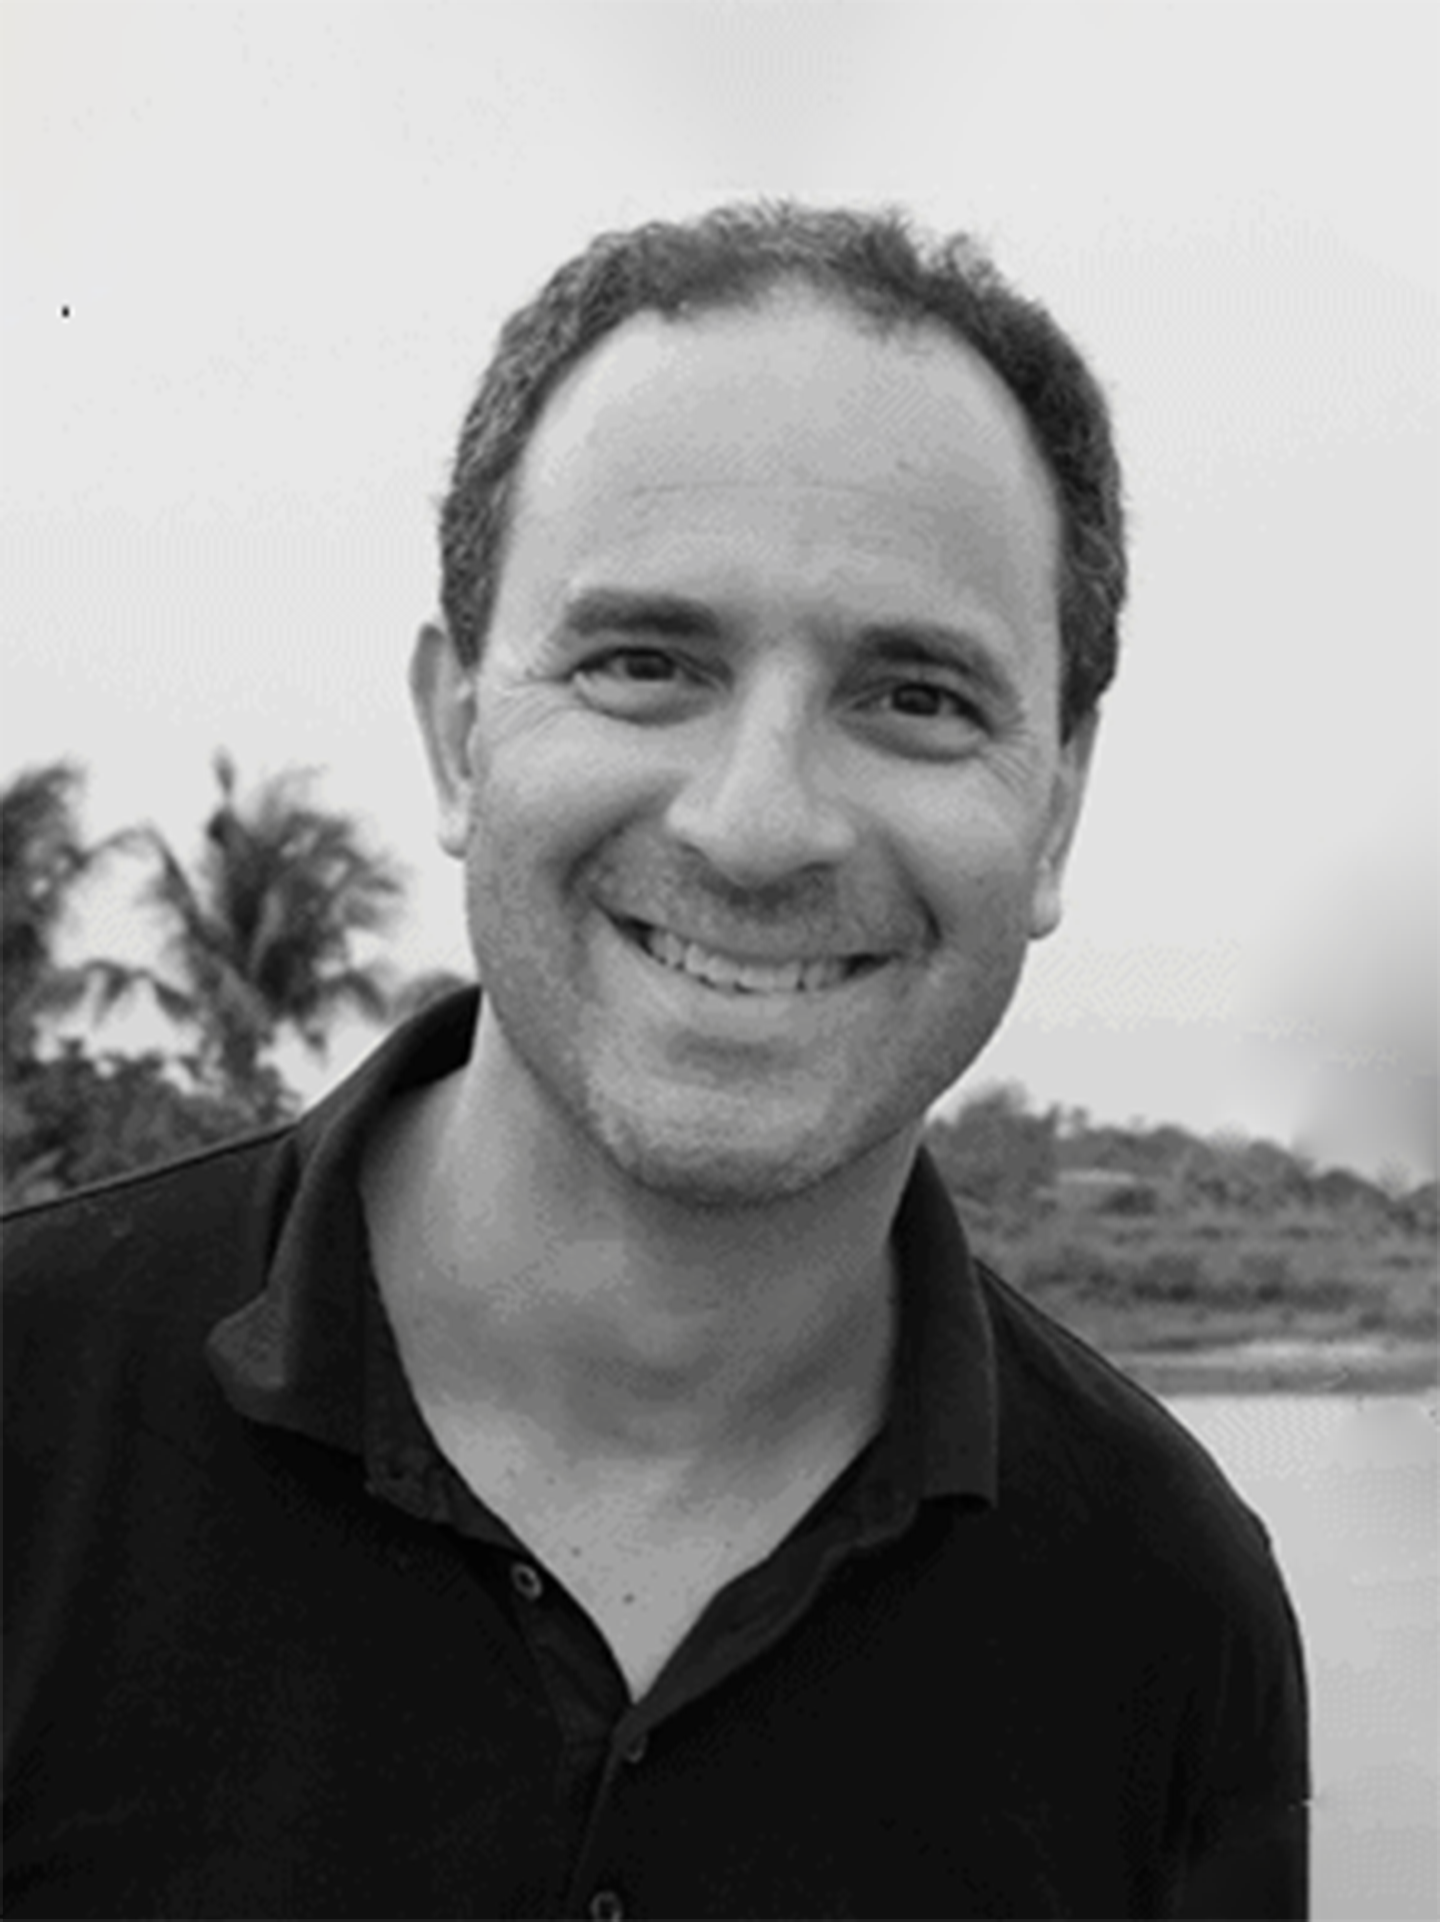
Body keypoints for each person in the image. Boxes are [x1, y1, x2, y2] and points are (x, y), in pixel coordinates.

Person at [0, 202, 1307, 1918]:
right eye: (644, 664)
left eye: (914, 697)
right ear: (457, 729)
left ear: (1055, 808)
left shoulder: (1170, 1616)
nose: (756, 823)